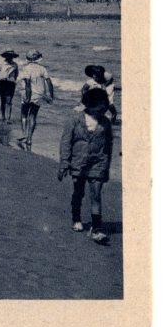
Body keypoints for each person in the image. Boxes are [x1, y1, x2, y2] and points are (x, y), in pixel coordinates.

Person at [57, 88, 115, 244]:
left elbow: (108, 146)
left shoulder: (105, 122)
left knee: (96, 195)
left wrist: (106, 168)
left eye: (104, 107)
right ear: (89, 104)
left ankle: (96, 228)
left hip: (98, 163)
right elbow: (66, 142)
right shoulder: (74, 120)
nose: (103, 110)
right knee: (78, 192)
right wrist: (64, 163)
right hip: (78, 162)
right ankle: (76, 218)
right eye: (100, 107)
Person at [17, 49, 54, 151]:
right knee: (33, 116)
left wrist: (28, 97)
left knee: (24, 114)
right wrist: (51, 96)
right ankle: (29, 139)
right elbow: (49, 82)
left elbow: (28, 84)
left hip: (28, 94)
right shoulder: (42, 69)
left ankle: (24, 135)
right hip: (39, 95)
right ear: (38, 58)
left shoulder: (26, 68)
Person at [0, 51, 20, 122]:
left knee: (9, 101)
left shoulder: (15, 65)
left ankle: (8, 118)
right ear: (5, 56)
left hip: (11, 84)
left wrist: (12, 81)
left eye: (11, 56)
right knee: (3, 101)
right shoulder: (0, 64)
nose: (10, 57)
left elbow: (16, 75)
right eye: (8, 55)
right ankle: (3, 117)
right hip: (2, 83)